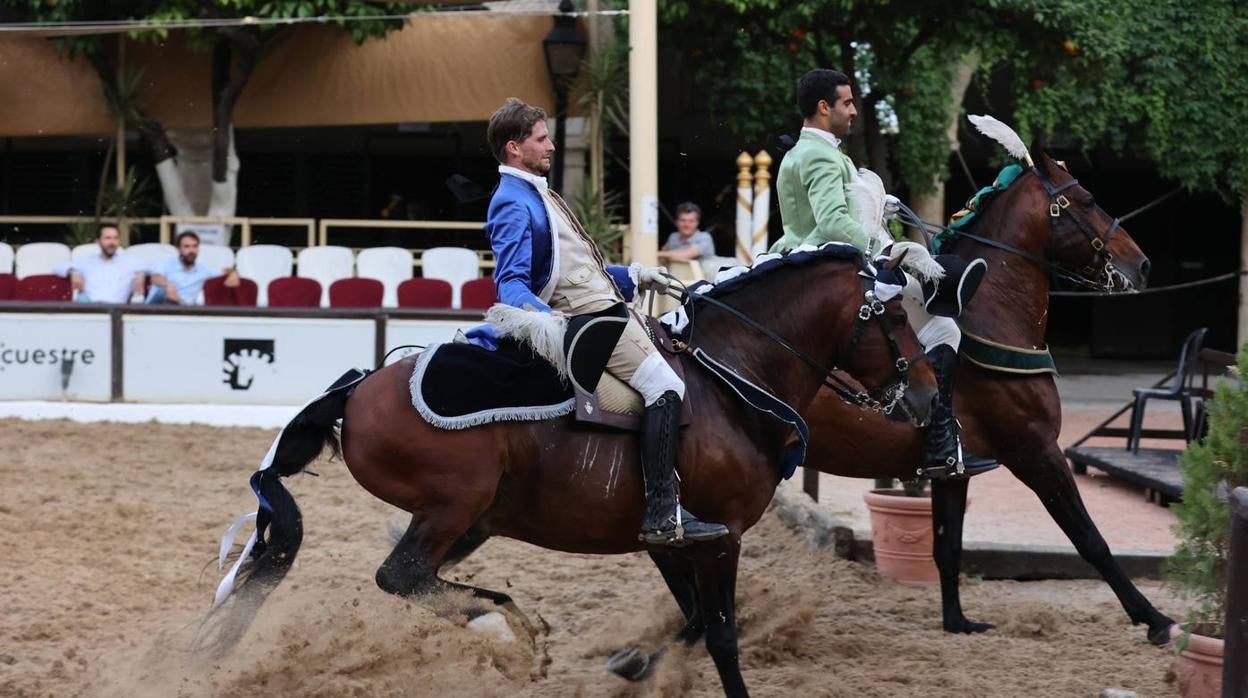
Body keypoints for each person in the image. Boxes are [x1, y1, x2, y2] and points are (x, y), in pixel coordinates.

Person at [482, 97, 728, 546]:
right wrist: (548, 322)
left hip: (608, 304)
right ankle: (661, 511)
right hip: (591, 319)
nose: (551, 146)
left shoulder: (537, 192)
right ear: (514, 148)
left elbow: (575, 267)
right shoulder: (512, 202)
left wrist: (632, 275)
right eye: (542, 139)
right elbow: (511, 285)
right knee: (666, 387)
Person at [769, 69, 995, 479]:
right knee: (946, 330)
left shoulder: (810, 151)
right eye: (847, 103)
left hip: (809, 260)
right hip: (831, 265)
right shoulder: (820, 154)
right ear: (824, 107)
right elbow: (834, 223)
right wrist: (889, 251)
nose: (854, 110)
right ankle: (939, 443)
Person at [53, 224, 145, 304]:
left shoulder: (129, 261)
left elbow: (151, 267)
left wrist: (141, 274)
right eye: (108, 238)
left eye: (115, 238)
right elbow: (58, 268)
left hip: (116, 309)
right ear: (98, 241)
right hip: (91, 308)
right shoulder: (87, 261)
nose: (112, 242)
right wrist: (73, 271)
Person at [146, 231, 239, 305]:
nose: (191, 250)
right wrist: (168, 285)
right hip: (157, 306)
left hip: (183, 308)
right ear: (179, 249)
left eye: (195, 246)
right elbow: (155, 278)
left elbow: (226, 271)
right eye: (187, 247)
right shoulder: (167, 264)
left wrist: (233, 273)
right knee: (162, 292)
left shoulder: (203, 270)